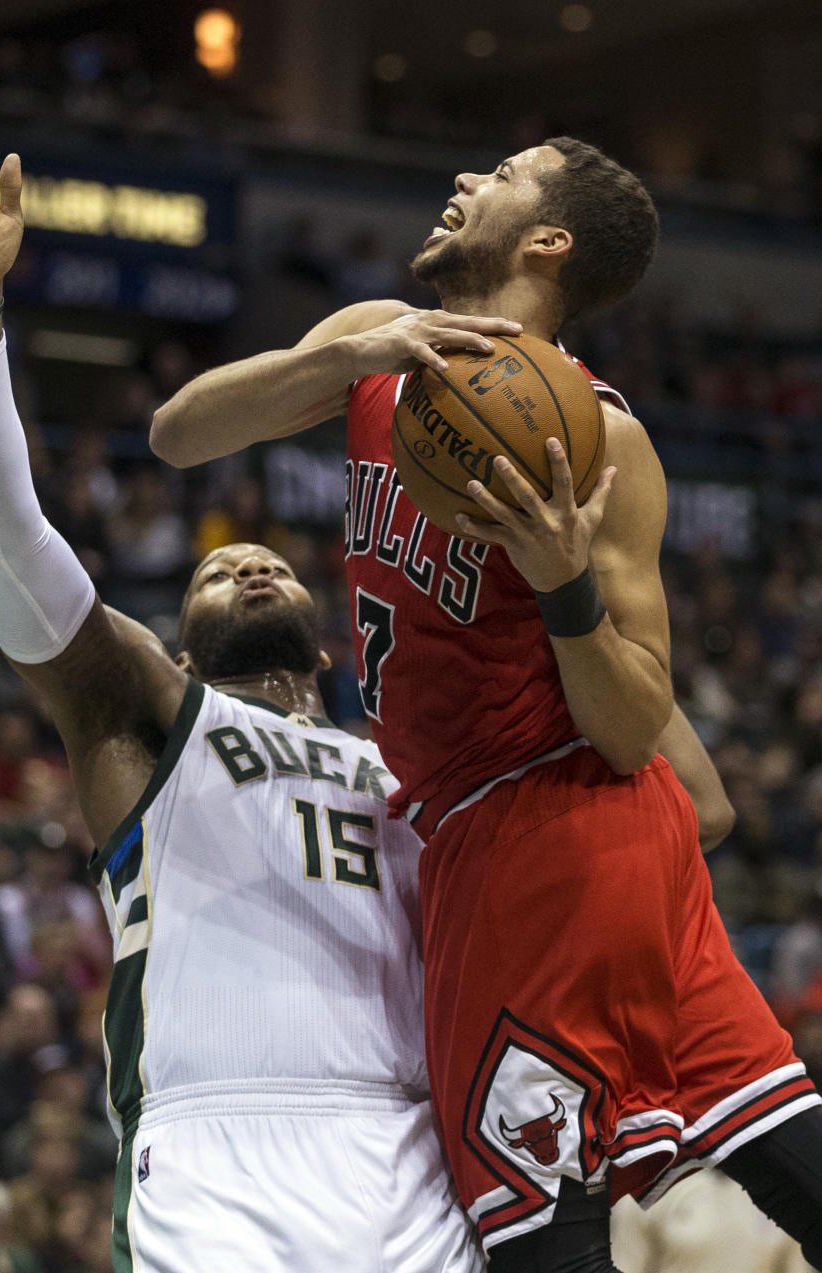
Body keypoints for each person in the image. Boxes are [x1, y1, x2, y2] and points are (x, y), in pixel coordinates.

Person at [149, 140, 822, 1270]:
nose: (464, 180)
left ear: (546, 242)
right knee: (791, 1155)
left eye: (502, 174)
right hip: (580, 846)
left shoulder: (604, 439)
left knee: (535, 1238)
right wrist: (358, 350)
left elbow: (625, 725)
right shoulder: (377, 345)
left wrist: (562, 587)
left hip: (533, 839)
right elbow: (179, 432)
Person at [0, 118, 482, 1273]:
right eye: (215, 569)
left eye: (267, 560)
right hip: (213, 1147)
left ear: (327, 643)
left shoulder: (408, 767)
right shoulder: (151, 718)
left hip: (406, 1149)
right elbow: (8, 546)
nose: (246, 563)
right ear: (176, 644)